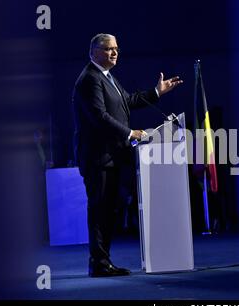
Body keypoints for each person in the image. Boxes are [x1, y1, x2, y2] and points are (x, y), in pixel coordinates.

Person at [72, 33, 182, 277]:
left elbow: (127, 101)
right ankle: (98, 263)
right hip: (97, 157)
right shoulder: (90, 79)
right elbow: (99, 117)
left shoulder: (107, 77)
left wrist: (156, 92)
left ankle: (103, 261)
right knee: (99, 209)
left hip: (111, 156)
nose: (115, 53)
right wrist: (130, 132)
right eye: (109, 49)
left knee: (108, 210)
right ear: (93, 53)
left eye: (117, 49)